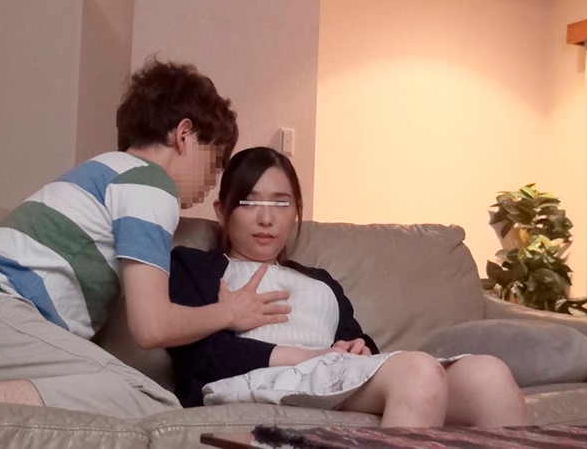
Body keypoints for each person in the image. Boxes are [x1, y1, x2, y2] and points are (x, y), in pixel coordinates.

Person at [0, 60, 290, 419]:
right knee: (151, 401)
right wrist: (229, 313)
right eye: (215, 160)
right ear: (184, 135)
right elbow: (152, 326)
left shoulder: (104, 172)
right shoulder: (149, 182)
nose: (212, 180)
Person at [168, 147, 527, 427]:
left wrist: (358, 348)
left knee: (488, 377)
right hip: (258, 380)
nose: (266, 218)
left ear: (296, 212)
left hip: (328, 378)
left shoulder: (320, 281)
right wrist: (307, 356)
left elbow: (357, 342)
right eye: (249, 203)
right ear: (222, 211)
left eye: (281, 203)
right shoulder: (196, 266)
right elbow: (198, 357)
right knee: (416, 372)